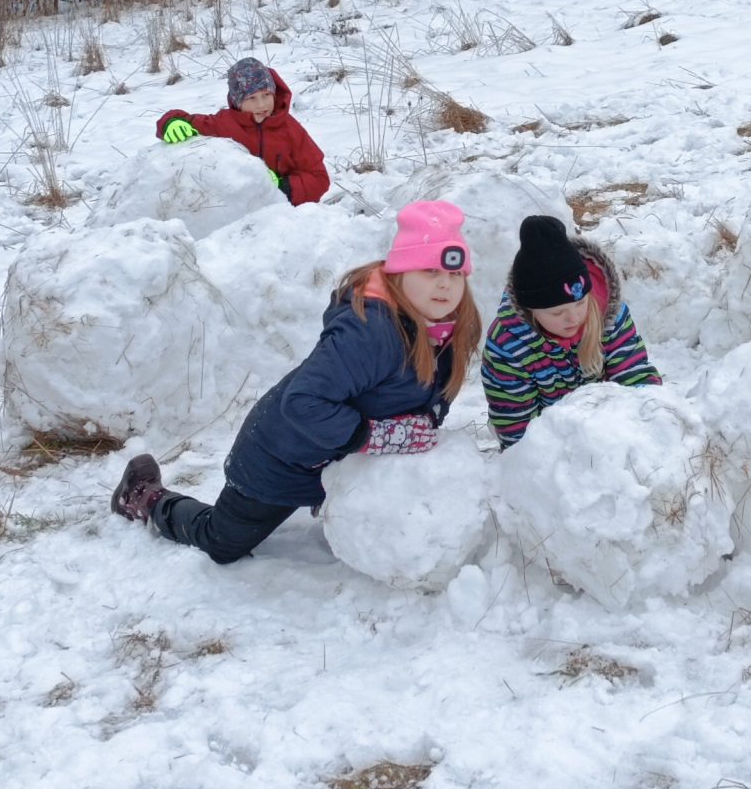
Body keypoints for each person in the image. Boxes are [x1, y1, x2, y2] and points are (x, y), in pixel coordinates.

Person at [109, 201, 481, 564]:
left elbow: (430, 394)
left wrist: (424, 422)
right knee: (221, 543)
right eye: (430, 272)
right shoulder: (370, 333)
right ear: (401, 272)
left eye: (454, 275)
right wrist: (375, 436)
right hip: (280, 456)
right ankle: (145, 498)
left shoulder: (448, 328)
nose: (445, 286)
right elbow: (304, 403)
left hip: (332, 457)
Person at [481, 215, 661, 447]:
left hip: (613, 432)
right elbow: (516, 426)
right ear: (531, 311)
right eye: (557, 313)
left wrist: (650, 424)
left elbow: (634, 374)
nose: (573, 318)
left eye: (580, 303)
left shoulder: (609, 316)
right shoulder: (508, 345)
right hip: (552, 447)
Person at [156, 57, 330, 205]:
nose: (261, 105)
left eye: (266, 95)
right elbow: (181, 118)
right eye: (251, 98)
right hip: (234, 214)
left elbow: (319, 178)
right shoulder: (224, 123)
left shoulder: (291, 130)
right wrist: (171, 123)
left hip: (281, 216)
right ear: (237, 101)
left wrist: (281, 186)